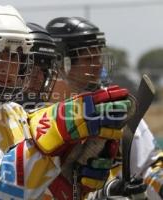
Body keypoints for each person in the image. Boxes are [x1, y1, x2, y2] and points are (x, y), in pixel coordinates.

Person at [0, 3, 134, 199]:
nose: (7, 67)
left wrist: (70, 179)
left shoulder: (14, 111)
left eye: (15, 57)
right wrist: (51, 135)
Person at [46, 16, 163, 200]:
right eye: (88, 59)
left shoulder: (115, 109)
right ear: (60, 64)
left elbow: (148, 164)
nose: (97, 65)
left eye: (98, 56)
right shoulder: (38, 117)